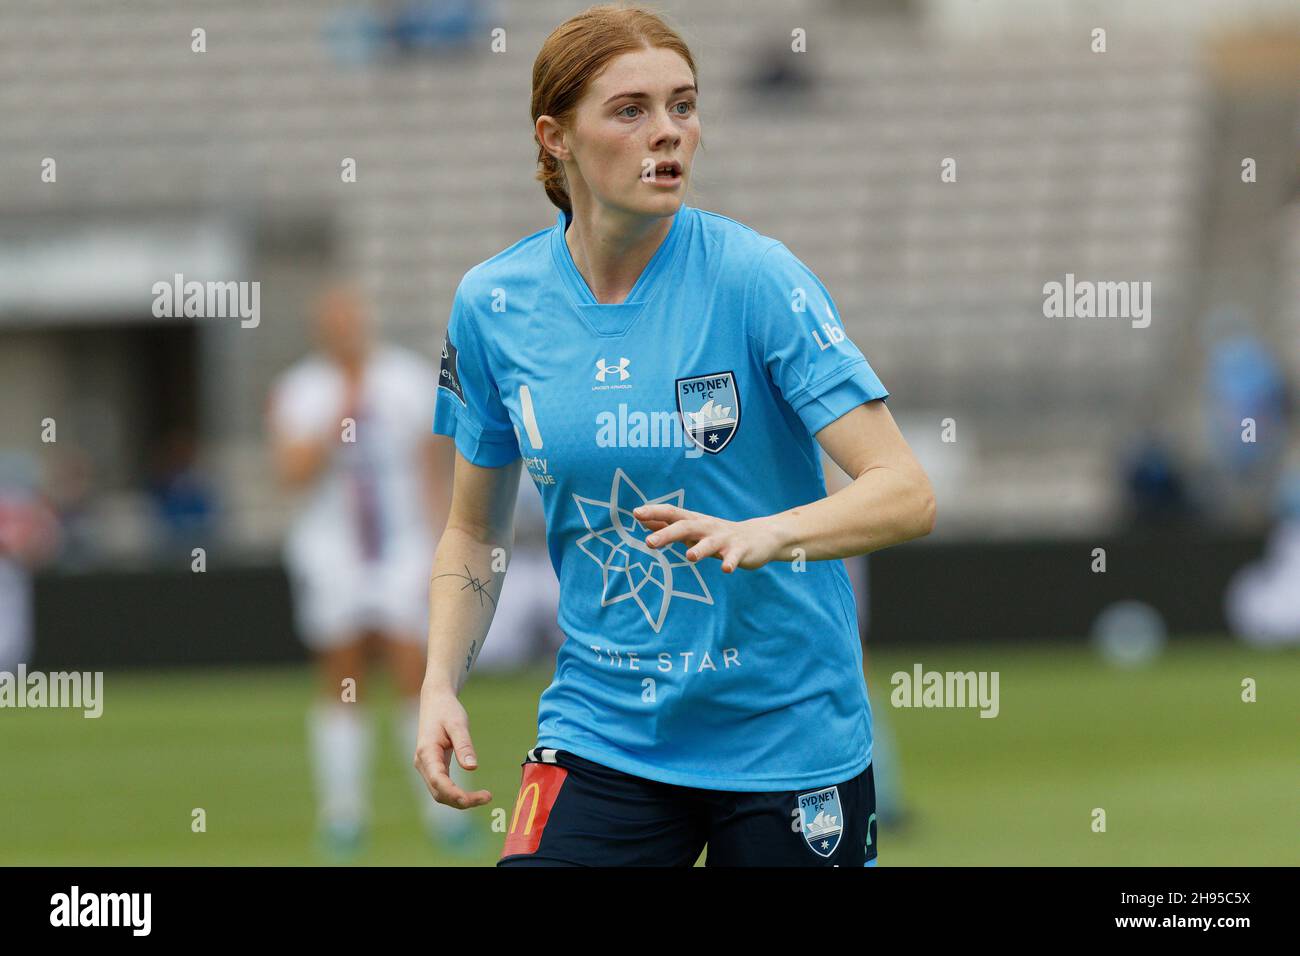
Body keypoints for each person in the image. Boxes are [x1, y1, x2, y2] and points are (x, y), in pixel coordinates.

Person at [415, 4, 935, 867]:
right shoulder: (492, 307)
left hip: (787, 735)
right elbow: (474, 530)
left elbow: (906, 491)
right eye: (631, 110)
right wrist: (438, 684)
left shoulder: (756, 279)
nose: (669, 134)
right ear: (556, 138)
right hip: (603, 731)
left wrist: (767, 533)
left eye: (684, 106)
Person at [267, 284, 465, 857]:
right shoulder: (300, 390)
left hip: (399, 547)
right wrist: (337, 422)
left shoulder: (405, 378)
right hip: (332, 551)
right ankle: (343, 813)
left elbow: (430, 468)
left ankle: (443, 809)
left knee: (415, 671)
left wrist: (440, 544)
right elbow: (291, 471)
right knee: (341, 675)